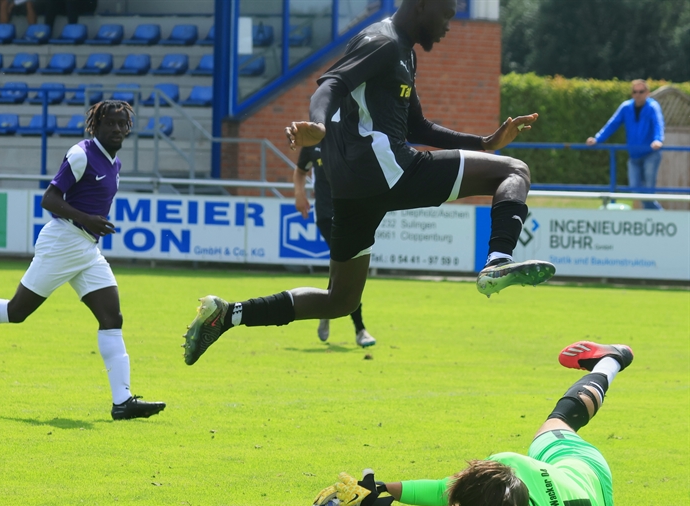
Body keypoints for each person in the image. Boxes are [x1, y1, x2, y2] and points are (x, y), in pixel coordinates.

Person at [181, 0, 555, 366]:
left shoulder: (404, 52)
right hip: (387, 170)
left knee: (340, 300)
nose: (448, 25)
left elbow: (417, 127)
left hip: (354, 189)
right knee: (514, 171)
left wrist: (485, 143)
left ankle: (226, 315)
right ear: (422, 5)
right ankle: (498, 261)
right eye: (446, 14)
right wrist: (320, 124)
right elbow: (329, 86)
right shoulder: (383, 41)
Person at [0, 101, 165, 421]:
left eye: (122, 124)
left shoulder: (114, 162)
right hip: (63, 241)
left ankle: (123, 401)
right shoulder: (80, 155)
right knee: (16, 311)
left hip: (86, 248)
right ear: (95, 126)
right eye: (111, 124)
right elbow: (49, 199)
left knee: (112, 317)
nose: (117, 129)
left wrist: (89, 223)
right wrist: (86, 217)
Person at [314, 340, 634, 506]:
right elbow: (446, 488)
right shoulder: (515, 469)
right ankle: (610, 361)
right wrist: (381, 490)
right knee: (558, 423)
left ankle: (611, 359)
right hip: (584, 470)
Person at [293, 145, 376, 348]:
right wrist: (299, 193)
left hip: (350, 212)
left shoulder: (350, 136)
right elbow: (300, 171)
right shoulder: (312, 143)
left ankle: (326, 306)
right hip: (325, 214)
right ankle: (360, 330)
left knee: (343, 269)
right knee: (348, 265)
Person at [587, 80, 665, 210]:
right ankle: (660, 219)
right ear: (631, 94)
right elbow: (612, 124)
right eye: (635, 92)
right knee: (635, 191)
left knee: (648, 194)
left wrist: (658, 140)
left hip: (650, 154)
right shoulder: (626, 107)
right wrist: (597, 139)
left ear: (647, 93)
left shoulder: (653, 107)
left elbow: (658, 124)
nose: (638, 94)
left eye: (641, 92)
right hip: (634, 156)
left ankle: (660, 221)